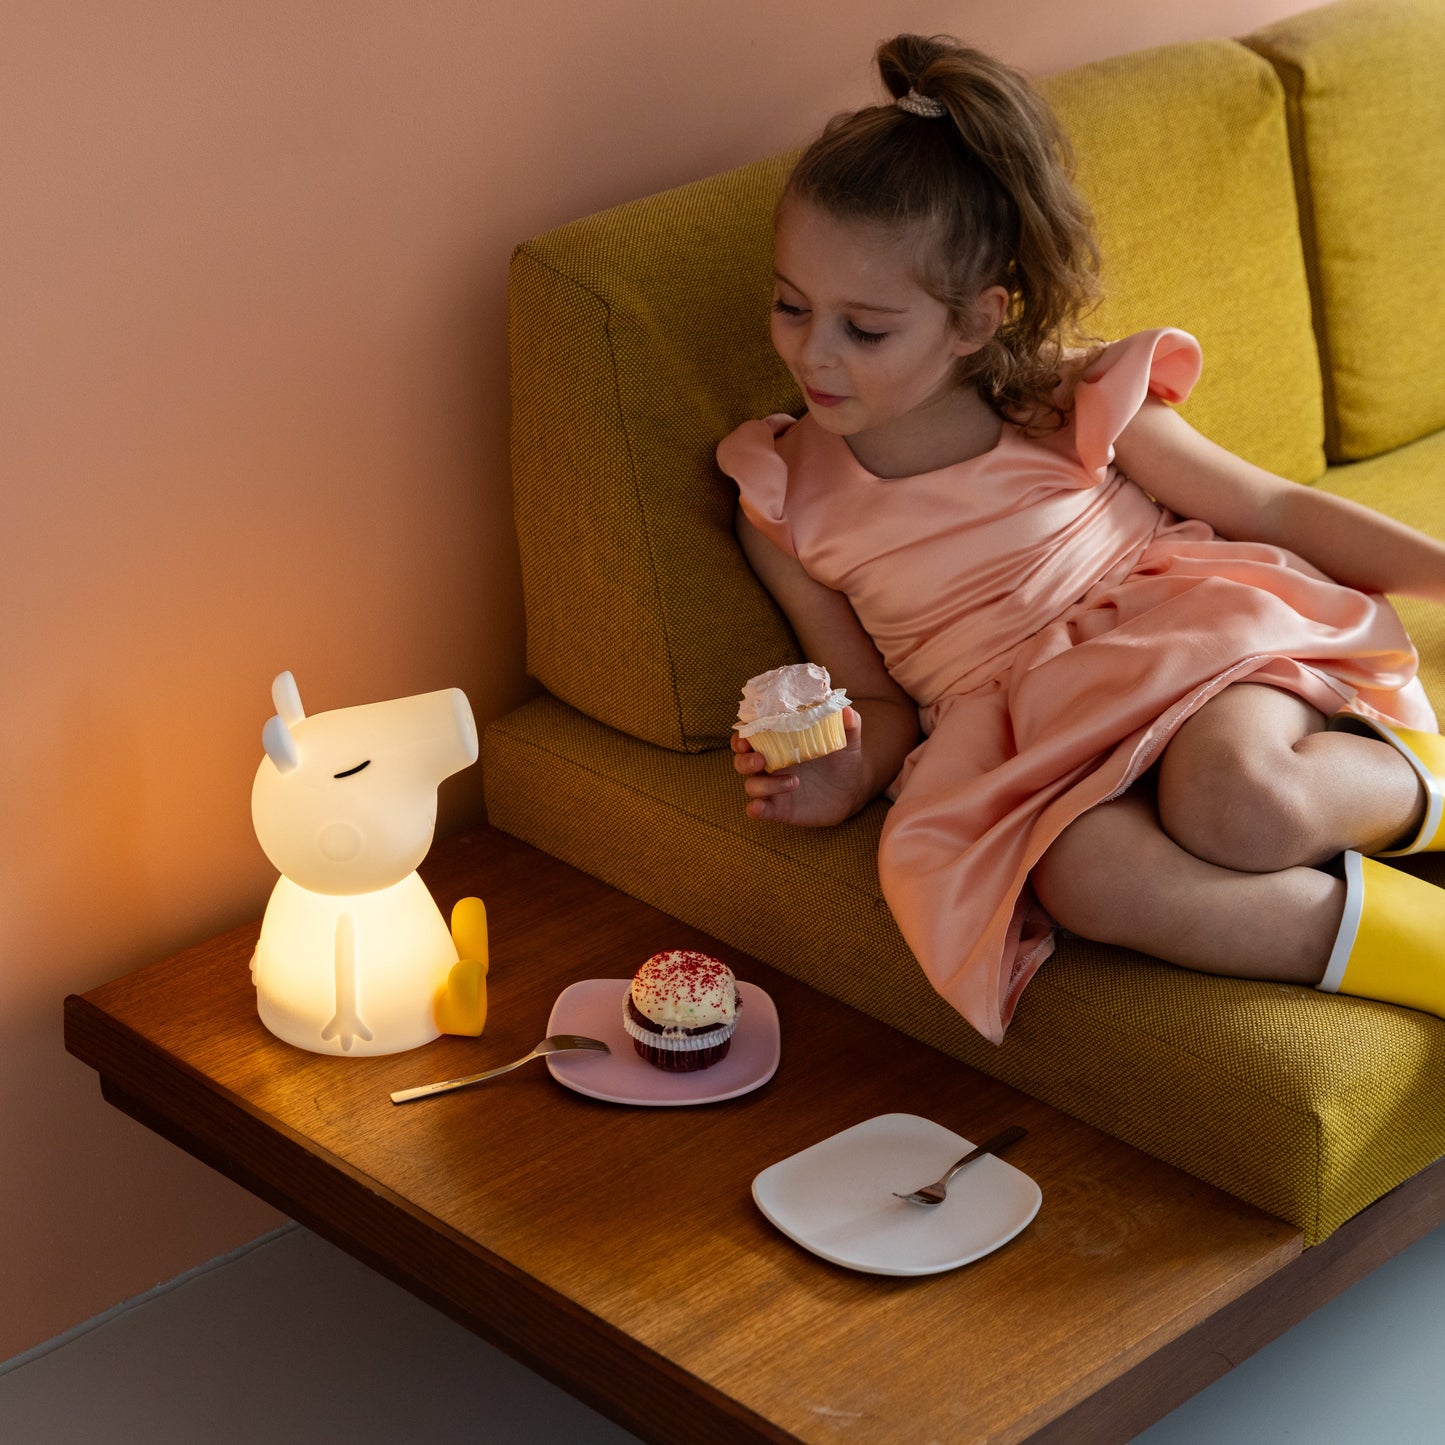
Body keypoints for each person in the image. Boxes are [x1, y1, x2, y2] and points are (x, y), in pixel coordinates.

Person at [717, 33, 1445, 1046]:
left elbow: (1268, 509)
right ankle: (1427, 947)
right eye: (790, 307)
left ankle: (1424, 785)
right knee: (1083, 877)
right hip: (1020, 736)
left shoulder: (1065, 395)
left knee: (1233, 802)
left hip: (1176, 638)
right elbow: (874, 696)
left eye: (863, 328)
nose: (811, 353)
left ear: (976, 320)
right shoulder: (783, 498)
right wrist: (842, 772)